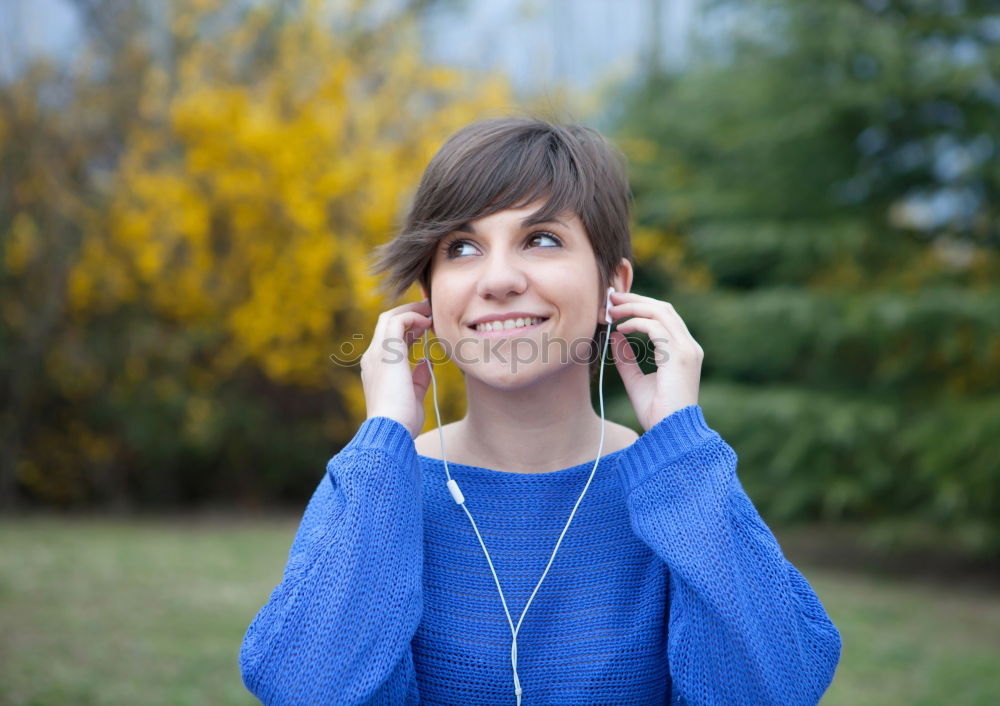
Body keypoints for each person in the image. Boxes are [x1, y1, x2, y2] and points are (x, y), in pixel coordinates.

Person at [239, 117, 842, 705]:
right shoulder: (382, 483)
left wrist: (679, 442)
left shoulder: (679, 485)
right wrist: (386, 434)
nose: (498, 279)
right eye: (463, 247)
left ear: (615, 286)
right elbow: (300, 689)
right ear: (428, 296)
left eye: (542, 239)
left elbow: (776, 688)